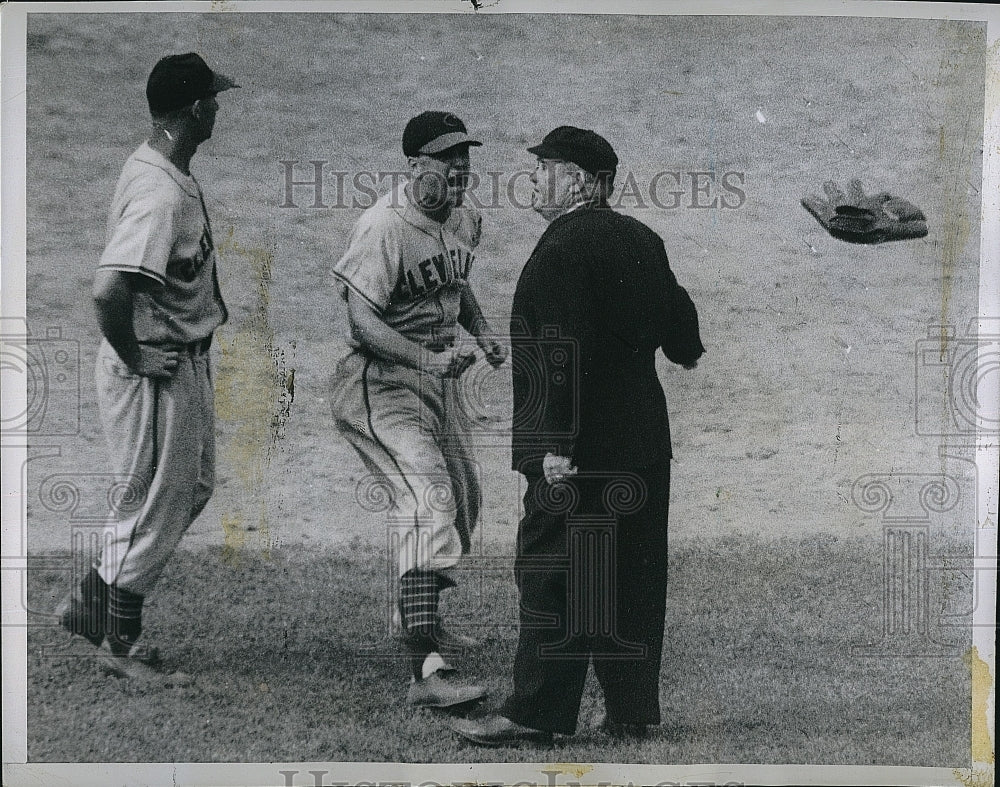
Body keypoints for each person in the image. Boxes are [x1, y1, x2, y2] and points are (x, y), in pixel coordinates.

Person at [452, 126, 705, 745]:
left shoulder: (561, 250)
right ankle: (632, 711)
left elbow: (554, 353)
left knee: (552, 570)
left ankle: (537, 713)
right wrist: (686, 349)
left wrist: (550, 451)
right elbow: (680, 327)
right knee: (633, 574)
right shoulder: (643, 239)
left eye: (547, 168)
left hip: (576, 450)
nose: (536, 178)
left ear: (583, 184)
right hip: (643, 441)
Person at [57, 53, 239, 687]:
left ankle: (89, 603)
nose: (218, 106)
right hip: (153, 367)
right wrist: (136, 355)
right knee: (153, 506)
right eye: (212, 99)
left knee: (186, 491)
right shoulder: (161, 191)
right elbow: (108, 290)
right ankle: (117, 645)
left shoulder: (161, 169)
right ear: (192, 109)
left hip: (173, 360)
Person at [329, 111, 508, 708]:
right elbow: (361, 322)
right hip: (379, 387)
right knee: (429, 499)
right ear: (416, 168)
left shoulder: (463, 217)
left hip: (431, 387)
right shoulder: (382, 227)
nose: (459, 176)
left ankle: (422, 619)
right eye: (447, 165)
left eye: (464, 165)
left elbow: (455, 284)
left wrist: (481, 330)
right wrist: (425, 361)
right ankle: (424, 668)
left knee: (463, 503)